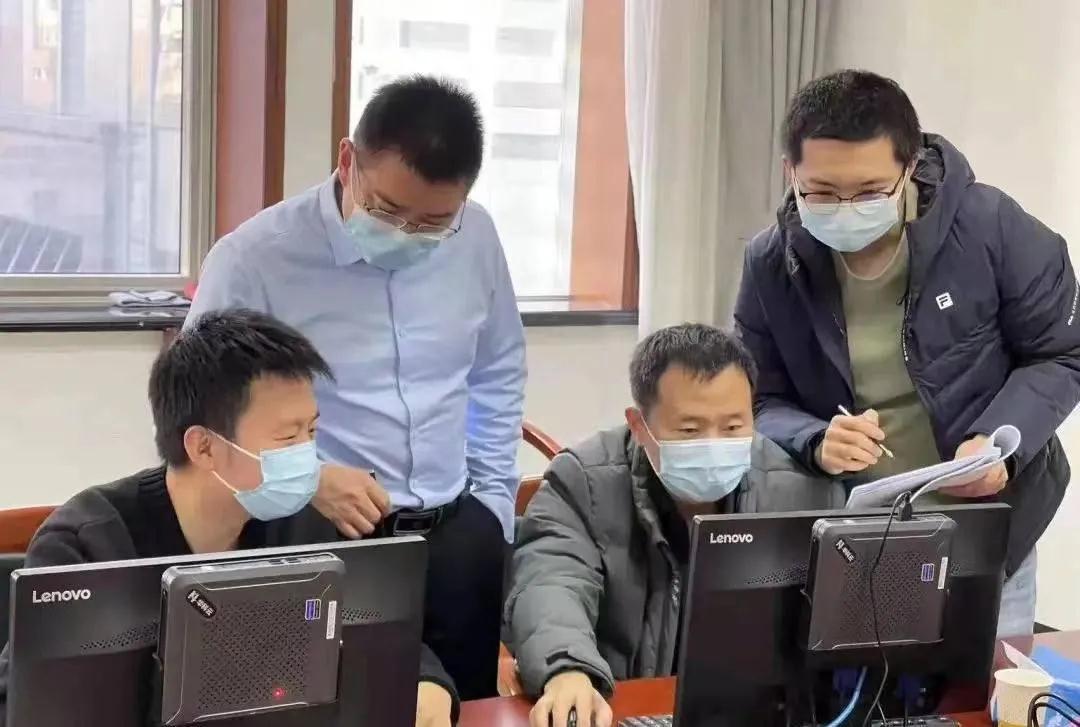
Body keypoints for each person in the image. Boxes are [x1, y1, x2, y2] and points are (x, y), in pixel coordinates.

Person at [186, 76, 526, 699]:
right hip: (326, 540)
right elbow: (200, 408)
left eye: (433, 223)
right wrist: (309, 478)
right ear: (348, 161)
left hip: (459, 530)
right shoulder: (255, 259)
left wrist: (494, 500)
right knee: (339, 706)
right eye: (386, 210)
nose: (407, 232)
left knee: (461, 705)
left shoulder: (476, 237)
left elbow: (497, 368)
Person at [734, 69, 1080, 638]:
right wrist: (815, 438)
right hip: (857, 538)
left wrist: (1000, 442)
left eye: (870, 191)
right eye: (821, 192)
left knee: (987, 683)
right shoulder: (772, 263)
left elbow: (1062, 353)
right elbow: (757, 397)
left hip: (990, 532)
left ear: (910, 166)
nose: (846, 208)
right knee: (862, 682)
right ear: (789, 171)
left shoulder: (991, 228)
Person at [0, 310, 457, 727]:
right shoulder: (87, 547)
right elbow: (24, 705)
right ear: (204, 447)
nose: (307, 457)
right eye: (287, 437)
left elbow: (381, 637)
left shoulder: (307, 526)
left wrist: (429, 687)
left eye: (312, 431)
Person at [504, 324, 844, 727]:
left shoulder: (800, 492)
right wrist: (568, 670)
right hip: (625, 707)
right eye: (690, 430)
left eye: (733, 427)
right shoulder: (583, 482)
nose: (714, 444)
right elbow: (550, 581)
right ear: (638, 425)